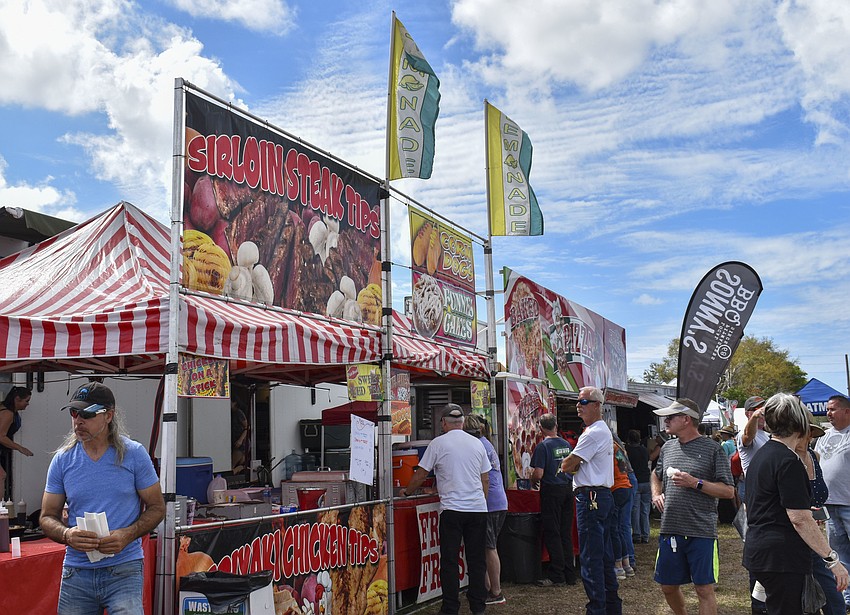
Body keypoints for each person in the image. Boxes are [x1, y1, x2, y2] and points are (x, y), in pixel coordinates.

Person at [39, 381, 165, 614]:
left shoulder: (134, 454)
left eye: (87, 413)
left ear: (108, 416)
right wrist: (67, 534)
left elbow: (158, 507)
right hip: (77, 570)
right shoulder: (62, 460)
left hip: (123, 569)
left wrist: (127, 534)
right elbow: (47, 516)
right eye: (74, 413)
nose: (78, 420)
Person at [744, 393, 849, 614]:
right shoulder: (787, 460)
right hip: (781, 558)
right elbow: (800, 519)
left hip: (763, 554)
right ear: (800, 422)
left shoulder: (764, 455)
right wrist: (832, 560)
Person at [402, 404, 490, 615]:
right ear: (461, 423)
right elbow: (485, 478)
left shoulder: (438, 443)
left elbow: (421, 474)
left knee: (449, 560)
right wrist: (480, 501)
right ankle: (478, 605)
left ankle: (450, 607)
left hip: (452, 510)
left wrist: (406, 492)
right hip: (477, 509)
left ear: (443, 423)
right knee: (477, 559)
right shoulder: (477, 444)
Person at [651, 398, 735, 615]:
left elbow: (728, 491)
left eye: (670, 417)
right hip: (671, 529)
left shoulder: (712, 449)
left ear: (686, 419)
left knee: (703, 588)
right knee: (668, 587)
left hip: (701, 530)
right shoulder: (668, 447)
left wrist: (695, 483)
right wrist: (656, 493)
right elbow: (655, 474)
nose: (665, 422)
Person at [559, 387, 622, 615]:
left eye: (583, 401)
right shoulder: (600, 430)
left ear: (597, 405)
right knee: (604, 557)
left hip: (591, 497)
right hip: (599, 496)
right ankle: (611, 607)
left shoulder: (593, 432)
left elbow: (567, 465)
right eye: (578, 401)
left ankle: (597, 609)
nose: (578, 405)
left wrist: (571, 465)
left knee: (591, 559)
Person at [797, 414, 845, 615]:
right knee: (802, 599)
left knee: (833, 600)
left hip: (813, 536)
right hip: (792, 537)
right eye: (803, 432)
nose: (806, 438)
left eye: (810, 433)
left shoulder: (814, 456)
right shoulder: (785, 459)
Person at [464, 414, 509, 605]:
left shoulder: (477, 445)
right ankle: (489, 587)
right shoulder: (486, 443)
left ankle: (496, 592)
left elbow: (482, 478)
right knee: (487, 547)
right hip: (498, 502)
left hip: (489, 503)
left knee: (489, 547)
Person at [530, 413, 577, 587]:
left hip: (551, 490)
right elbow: (573, 468)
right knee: (565, 533)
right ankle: (570, 574)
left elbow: (539, 473)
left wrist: (532, 480)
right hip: (566, 488)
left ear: (541, 428)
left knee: (552, 532)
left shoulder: (543, 447)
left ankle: (557, 574)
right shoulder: (565, 444)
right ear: (556, 425)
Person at [815, 394, 850, 611]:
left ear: (847, 411)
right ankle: (847, 598)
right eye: (827, 409)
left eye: (833, 409)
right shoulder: (824, 436)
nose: (828, 413)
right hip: (829, 504)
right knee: (838, 553)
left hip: (848, 502)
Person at [737, 395, 770, 614]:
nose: (764, 414)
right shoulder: (745, 434)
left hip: (773, 503)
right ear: (749, 413)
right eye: (758, 410)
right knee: (760, 560)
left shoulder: (769, 435)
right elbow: (748, 436)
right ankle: (759, 607)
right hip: (758, 506)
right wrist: (756, 415)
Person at [0, 386, 33, 499]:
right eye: (26, 401)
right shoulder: (8, 413)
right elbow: (1, 436)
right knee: (1, 475)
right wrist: (20, 448)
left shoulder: (7, 409)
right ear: (17, 399)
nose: (28, 404)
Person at [610, 437, 635, 580]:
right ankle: (627, 565)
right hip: (626, 486)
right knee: (620, 529)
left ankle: (618, 566)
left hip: (616, 488)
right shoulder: (618, 447)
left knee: (614, 529)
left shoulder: (609, 447)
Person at [625, 429, 651, 544]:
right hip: (646, 480)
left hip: (635, 481)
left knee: (635, 509)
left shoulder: (628, 451)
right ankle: (645, 534)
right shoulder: (644, 450)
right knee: (645, 510)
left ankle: (637, 534)